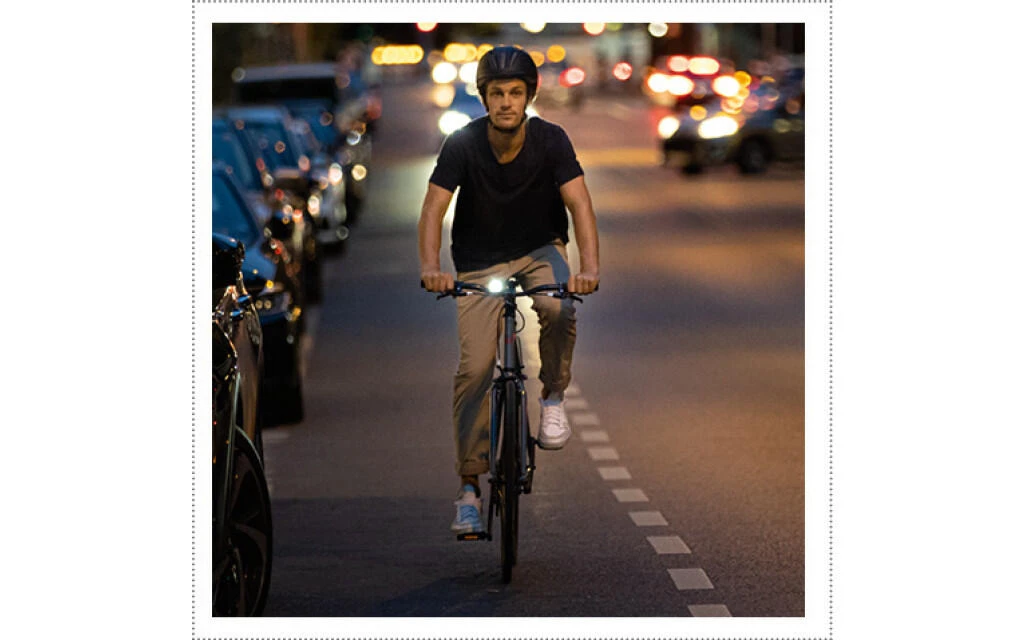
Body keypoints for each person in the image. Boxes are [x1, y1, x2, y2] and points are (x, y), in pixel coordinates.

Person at [418, 46, 600, 534]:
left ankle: (553, 397)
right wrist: (431, 267)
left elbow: (580, 205)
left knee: (557, 308)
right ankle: (469, 490)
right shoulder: (462, 144)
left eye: (515, 93)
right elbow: (433, 209)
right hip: (478, 260)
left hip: (540, 249)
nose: (505, 102)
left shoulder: (551, 140)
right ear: (484, 98)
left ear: (529, 97)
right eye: (496, 93)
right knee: (475, 368)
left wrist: (589, 268)